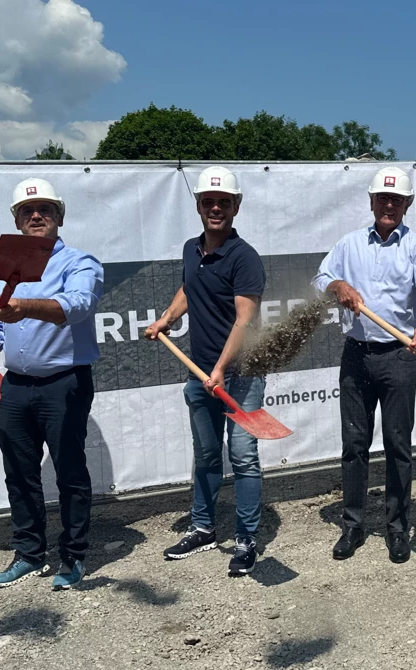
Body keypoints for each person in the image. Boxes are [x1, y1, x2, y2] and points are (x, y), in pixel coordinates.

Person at [0, 178, 103, 591]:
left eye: (45, 209)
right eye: (27, 211)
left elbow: (78, 306)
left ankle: (72, 558)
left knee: (70, 473)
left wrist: (24, 307)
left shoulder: (80, 262)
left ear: (59, 217)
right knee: (19, 473)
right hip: (16, 387)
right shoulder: (10, 270)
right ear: (17, 220)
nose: (36, 215)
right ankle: (28, 554)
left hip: (64, 384)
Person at [313, 166, 416, 563]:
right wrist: (336, 286)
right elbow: (320, 278)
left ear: (406, 205)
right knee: (354, 445)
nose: (389, 205)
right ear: (372, 202)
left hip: (400, 355)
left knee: (398, 445)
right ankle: (352, 525)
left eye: (397, 200)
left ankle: (398, 528)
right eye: (383, 199)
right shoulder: (349, 245)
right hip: (356, 354)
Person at [144, 166, 267, 576]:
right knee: (207, 454)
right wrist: (166, 319)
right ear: (198, 205)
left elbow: (244, 322)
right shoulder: (191, 249)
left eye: (224, 202)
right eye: (208, 201)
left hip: (241, 374)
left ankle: (246, 539)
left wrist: (219, 369)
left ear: (236, 207)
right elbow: (187, 289)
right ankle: (202, 528)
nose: (216, 208)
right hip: (200, 374)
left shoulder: (244, 258)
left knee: (244, 457)